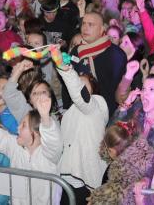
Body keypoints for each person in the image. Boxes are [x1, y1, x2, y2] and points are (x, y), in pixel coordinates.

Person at [0, 86, 63, 205]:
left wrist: (45, 118)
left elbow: (53, 141)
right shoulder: (14, 146)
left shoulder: (50, 155)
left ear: (36, 131)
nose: (17, 128)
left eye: (23, 125)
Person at [54, 45, 108, 204]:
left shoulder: (97, 105)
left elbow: (80, 94)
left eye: (84, 85)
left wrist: (64, 68)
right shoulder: (70, 113)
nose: (78, 86)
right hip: (68, 177)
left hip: (87, 180)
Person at [68, 12, 127, 116]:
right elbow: (69, 82)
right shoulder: (76, 50)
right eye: (84, 24)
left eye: (90, 25)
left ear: (101, 29)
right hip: (77, 109)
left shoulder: (116, 54)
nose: (85, 28)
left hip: (104, 111)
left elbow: (116, 88)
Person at [89, 121, 154, 204]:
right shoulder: (141, 160)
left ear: (113, 150)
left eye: (108, 149)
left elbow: (113, 195)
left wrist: (95, 199)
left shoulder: (122, 175)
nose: (106, 150)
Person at [113, 74, 154, 151]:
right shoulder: (138, 107)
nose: (145, 94)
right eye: (143, 89)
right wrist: (126, 103)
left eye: (151, 89)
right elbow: (114, 128)